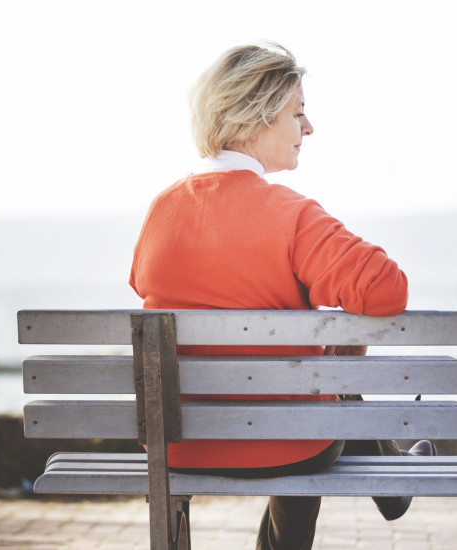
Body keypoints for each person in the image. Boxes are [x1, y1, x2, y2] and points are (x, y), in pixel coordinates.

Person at [128, 43, 435, 550]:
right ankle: (394, 483)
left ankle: (393, 480)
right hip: (290, 445)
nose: (308, 128)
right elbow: (389, 289)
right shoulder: (292, 215)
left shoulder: (162, 210)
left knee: (315, 390)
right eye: (298, 113)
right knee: (316, 399)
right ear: (258, 117)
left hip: (178, 446)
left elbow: (144, 284)